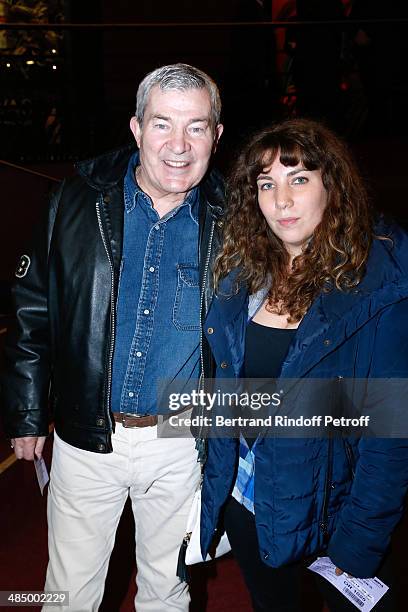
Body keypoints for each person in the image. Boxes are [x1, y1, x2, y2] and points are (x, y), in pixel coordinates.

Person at [1, 63, 224, 611]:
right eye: (162, 124)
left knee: (166, 589)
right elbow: (33, 309)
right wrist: (27, 413)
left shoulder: (236, 216)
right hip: (85, 435)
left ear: (217, 136)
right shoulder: (73, 202)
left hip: (182, 440)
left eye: (196, 127)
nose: (178, 145)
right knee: (67, 593)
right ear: (135, 128)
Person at [200, 118, 408, 611]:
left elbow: (390, 437)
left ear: (332, 185)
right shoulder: (242, 277)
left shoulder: (377, 286)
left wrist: (357, 544)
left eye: (299, 179)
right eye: (267, 184)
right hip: (251, 504)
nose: (282, 200)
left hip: (334, 515)